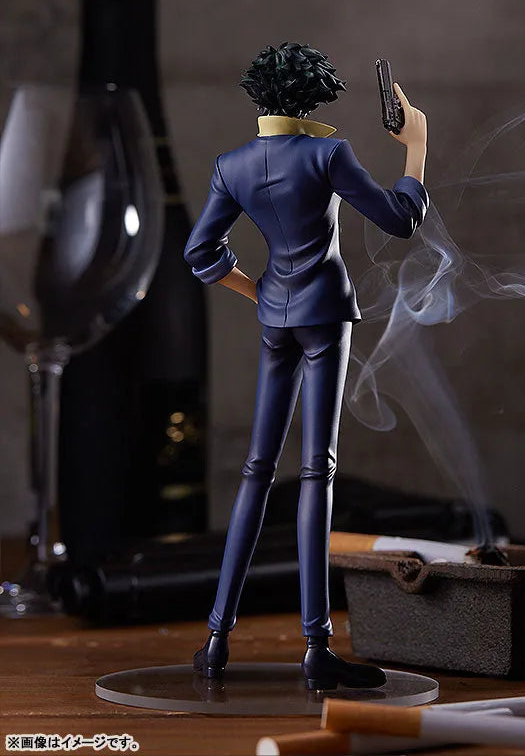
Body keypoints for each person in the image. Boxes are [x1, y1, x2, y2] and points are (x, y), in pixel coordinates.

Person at [184, 42, 429, 690]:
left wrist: (259, 292)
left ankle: (216, 638)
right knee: (317, 472)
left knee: (257, 471)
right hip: (323, 316)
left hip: (276, 317)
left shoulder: (233, 164)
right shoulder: (327, 154)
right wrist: (416, 147)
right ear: (312, 96)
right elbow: (401, 219)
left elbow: (200, 252)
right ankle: (317, 647)